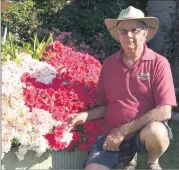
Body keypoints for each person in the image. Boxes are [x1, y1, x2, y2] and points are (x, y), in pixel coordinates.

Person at [67, 6, 177, 170]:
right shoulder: (109, 64)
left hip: (143, 134)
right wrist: (85, 115)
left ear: (145, 32)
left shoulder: (159, 63)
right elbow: (106, 106)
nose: (129, 35)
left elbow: (164, 111)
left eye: (135, 30)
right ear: (118, 35)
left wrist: (124, 130)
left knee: (157, 132)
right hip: (112, 135)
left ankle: (152, 161)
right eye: (123, 31)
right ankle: (126, 159)